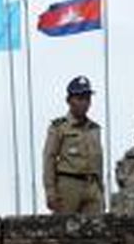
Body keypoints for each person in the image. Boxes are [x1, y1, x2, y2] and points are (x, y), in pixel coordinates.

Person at [42, 76, 104, 214]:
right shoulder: (59, 127)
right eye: (80, 98)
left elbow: (98, 161)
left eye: (87, 99)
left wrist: (100, 191)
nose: (84, 103)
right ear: (69, 101)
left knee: (95, 230)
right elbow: (49, 158)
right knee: (63, 230)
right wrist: (50, 192)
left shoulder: (94, 129)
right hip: (68, 184)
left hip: (92, 185)